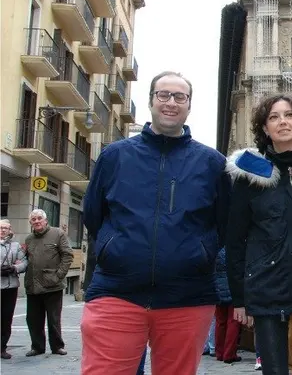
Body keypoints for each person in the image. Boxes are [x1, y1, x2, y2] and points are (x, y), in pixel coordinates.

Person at [81, 71, 231, 375]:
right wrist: (115, 249)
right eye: (163, 94)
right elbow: (93, 214)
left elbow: (224, 223)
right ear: (150, 101)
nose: (171, 102)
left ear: (189, 105)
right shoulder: (115, 156)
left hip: (187, 297)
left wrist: (199, 254)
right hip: (116, 291)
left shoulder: (212, 163)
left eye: (180, 96)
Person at [226, 93, 292, 375]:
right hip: (267, 283)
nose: (282, 122)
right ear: (264, 128)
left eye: (289, 115)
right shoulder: (248, 172)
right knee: (274, 369)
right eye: (273, 117)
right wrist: (239, 298)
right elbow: (235, 239)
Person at [24, 209, 73, 357]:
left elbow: (68, 255)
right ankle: (37, 347)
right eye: (34, 219)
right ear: (31, 223)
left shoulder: (58, 234)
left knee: (54, 318)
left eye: (39, 218)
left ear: (45, 220)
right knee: (33, 319)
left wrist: (59, 275)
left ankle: (57, 346)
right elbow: (26, 259)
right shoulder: (29, 239)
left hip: (53, 285)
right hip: (33, 285)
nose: (37, 221)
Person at [1, 219, 28, 359]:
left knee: (6, 318)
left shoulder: (15, 245)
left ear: (10, 230)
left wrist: (14, 268)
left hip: (10, 287)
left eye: (6, 228)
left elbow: (24, 262)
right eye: (1, 228)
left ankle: (2, 347)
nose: (3, 230)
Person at [213, 248, 241, 363]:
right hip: (232, 288)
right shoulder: (231, 249)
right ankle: (229, 354)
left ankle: (219, 352)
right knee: (233, 321)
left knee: (220, 322)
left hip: (218, 289)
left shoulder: (215, 248)